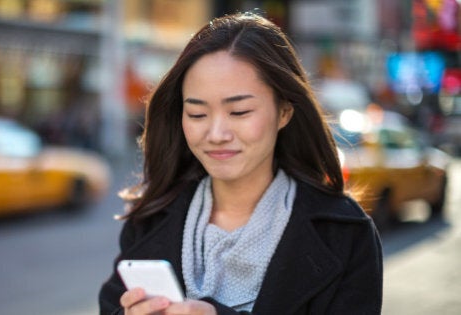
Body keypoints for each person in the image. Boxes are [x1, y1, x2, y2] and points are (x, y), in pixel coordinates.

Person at [99, 12, 383, 315]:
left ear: (284, 112)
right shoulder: (150, 217)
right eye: (197, 114)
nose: (216, 134)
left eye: (239, 112)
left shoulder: (345, 234)